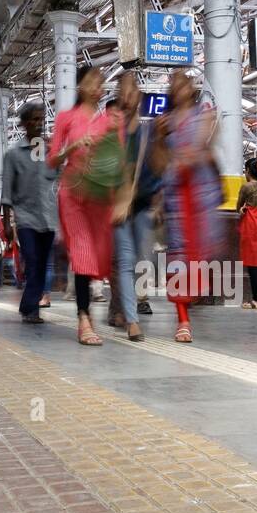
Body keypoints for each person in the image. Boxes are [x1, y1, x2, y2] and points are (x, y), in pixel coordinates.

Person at [48, 65, 123, 345]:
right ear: (80, 86)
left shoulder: (107, 122)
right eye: (92, 81)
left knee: (100, 257)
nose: (97, 87)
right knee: (82, 254)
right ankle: (83, 318)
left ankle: (90, 313)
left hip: (100, 197)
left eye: (101, 82)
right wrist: (74, 145)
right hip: (73, 194)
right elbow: (53, 159)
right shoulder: (66, 118)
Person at [152, 70, 224, 343]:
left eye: (184, 82)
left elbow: (205, 143)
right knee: (178, 258)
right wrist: (159, 139)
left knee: (203, 254)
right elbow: (159, 165)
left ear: (192, 88)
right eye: (174, 83)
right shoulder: (163, 123)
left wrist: (190, 155)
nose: (179, 87)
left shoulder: (204, 114)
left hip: (202, 196)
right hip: (177, 198)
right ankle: (183, 319)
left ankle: (189, 299)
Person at [2, 101, 58, 324]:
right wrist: (7, 223)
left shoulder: (49, 151)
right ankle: (31, 308)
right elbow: (6, 191)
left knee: (42, 264)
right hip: (25, 218)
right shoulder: (13, 154)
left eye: (41, 119)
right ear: (24, 124)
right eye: (34, 119)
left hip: (48, 217)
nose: (38, 123)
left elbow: (59, 178)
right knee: (33, 261)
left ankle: (28, 305)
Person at [111, 72, 155, 341]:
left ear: (139, 96)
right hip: (118, 207)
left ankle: (123, 308)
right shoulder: (111, 131)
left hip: (142, 205)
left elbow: (159, 170)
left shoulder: (148, 133)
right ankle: (132, 320)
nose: (127, 96)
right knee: (126, 260)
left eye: (132, 90)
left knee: (143, 259)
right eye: (122, 91)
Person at [237, 158, 257, 309]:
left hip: (250, 225)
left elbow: (238, 206)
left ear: (248, 171)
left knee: (251, 265)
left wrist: (241, 209)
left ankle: (256, 300)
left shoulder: (246, 187)